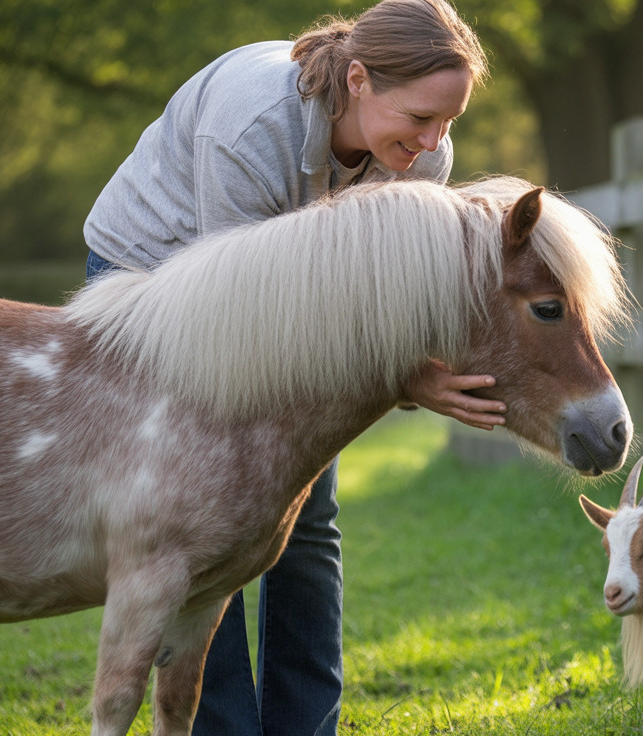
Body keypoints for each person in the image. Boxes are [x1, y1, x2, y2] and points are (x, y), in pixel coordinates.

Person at [81, 1, 497, 733]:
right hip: (156, 279)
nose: (436, 142)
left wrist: (409, 367)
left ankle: (306, 726)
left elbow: (382, 299)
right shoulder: (252, 128)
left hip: (283, 307)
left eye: (451, 121)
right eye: (424, 116)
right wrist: (402, 376)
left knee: (306, 519)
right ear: (361, 80)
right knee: (206, 523)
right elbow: (231, 314)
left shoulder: (424, 158)